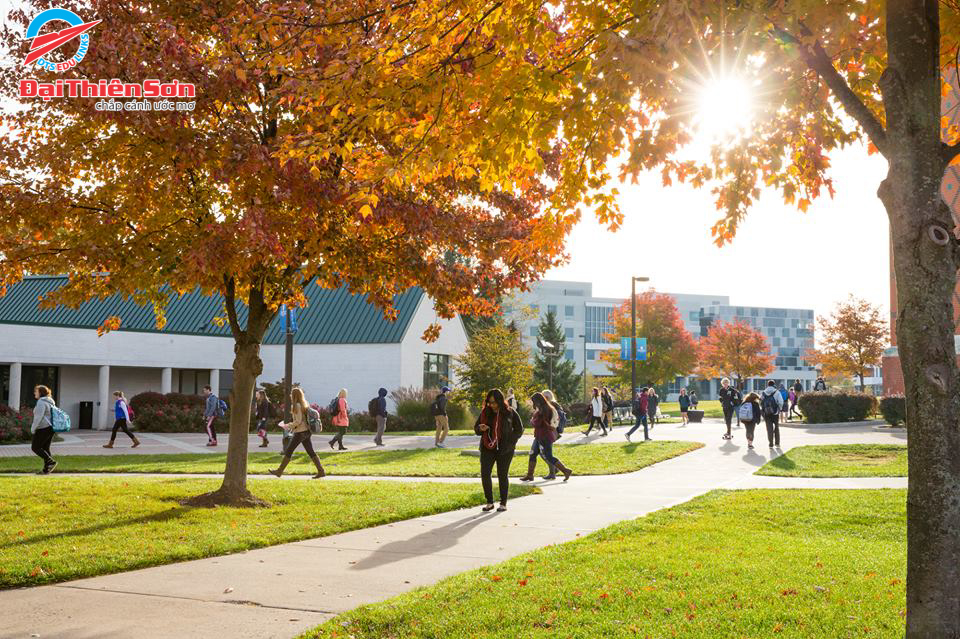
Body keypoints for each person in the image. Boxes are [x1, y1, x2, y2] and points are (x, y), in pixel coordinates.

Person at [474, 388, 525, 511]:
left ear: (500, 401)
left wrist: (510, 442)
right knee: (485, 474)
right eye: (490, 402)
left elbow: (519, 429)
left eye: (494, 402)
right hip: (487, 447)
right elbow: (476, 428)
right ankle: (489, 502)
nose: (492, 405)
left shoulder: (509, 412)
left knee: (502, 475)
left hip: (505, 449)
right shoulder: (485, 412)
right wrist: (480, 428)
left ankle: (503, 503)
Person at [269, 387, 325, 478]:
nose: (290, 395)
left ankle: (279, 471)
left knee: (289, 451)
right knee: (310, 451)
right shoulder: (305, 404)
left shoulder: (296, 406)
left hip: (300, 432)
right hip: (307, 431)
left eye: (291, 394)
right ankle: (321, 471)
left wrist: (287, 425)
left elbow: (298, 421)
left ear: (294, 395)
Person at [519, 392, 573, 482]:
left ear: (538, 401)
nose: (533, 404)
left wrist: (532, 421)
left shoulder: (544, 410)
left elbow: (538, 423)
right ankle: (529, 475)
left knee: (549, 456)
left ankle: (566, 470)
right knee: (532, 453)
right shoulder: (544, 408)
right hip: (540, 436)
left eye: (534, 402)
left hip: (545, 436)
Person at [30, 385, 58, 474]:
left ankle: (51, 461)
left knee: (35, 447)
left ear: (40, 392)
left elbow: (38, 417)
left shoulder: (41, 402)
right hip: (50, 428)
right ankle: (46, 470)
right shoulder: (50, 401)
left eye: (36, 391)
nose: (34, 393)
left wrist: (33, 429)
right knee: (46, 448)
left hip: (43, 428)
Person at [761, 380, 784, 448]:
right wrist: (779, 409)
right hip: (775, 412)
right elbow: (781, 402)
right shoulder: (776, 392)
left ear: (768, 385)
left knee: (769, 428)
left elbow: (761, 402)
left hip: (767, 413)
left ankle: (770, 444)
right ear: (774, 385)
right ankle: (777, 444)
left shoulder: (763, 392)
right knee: (776, 427)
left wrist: (763, 410)